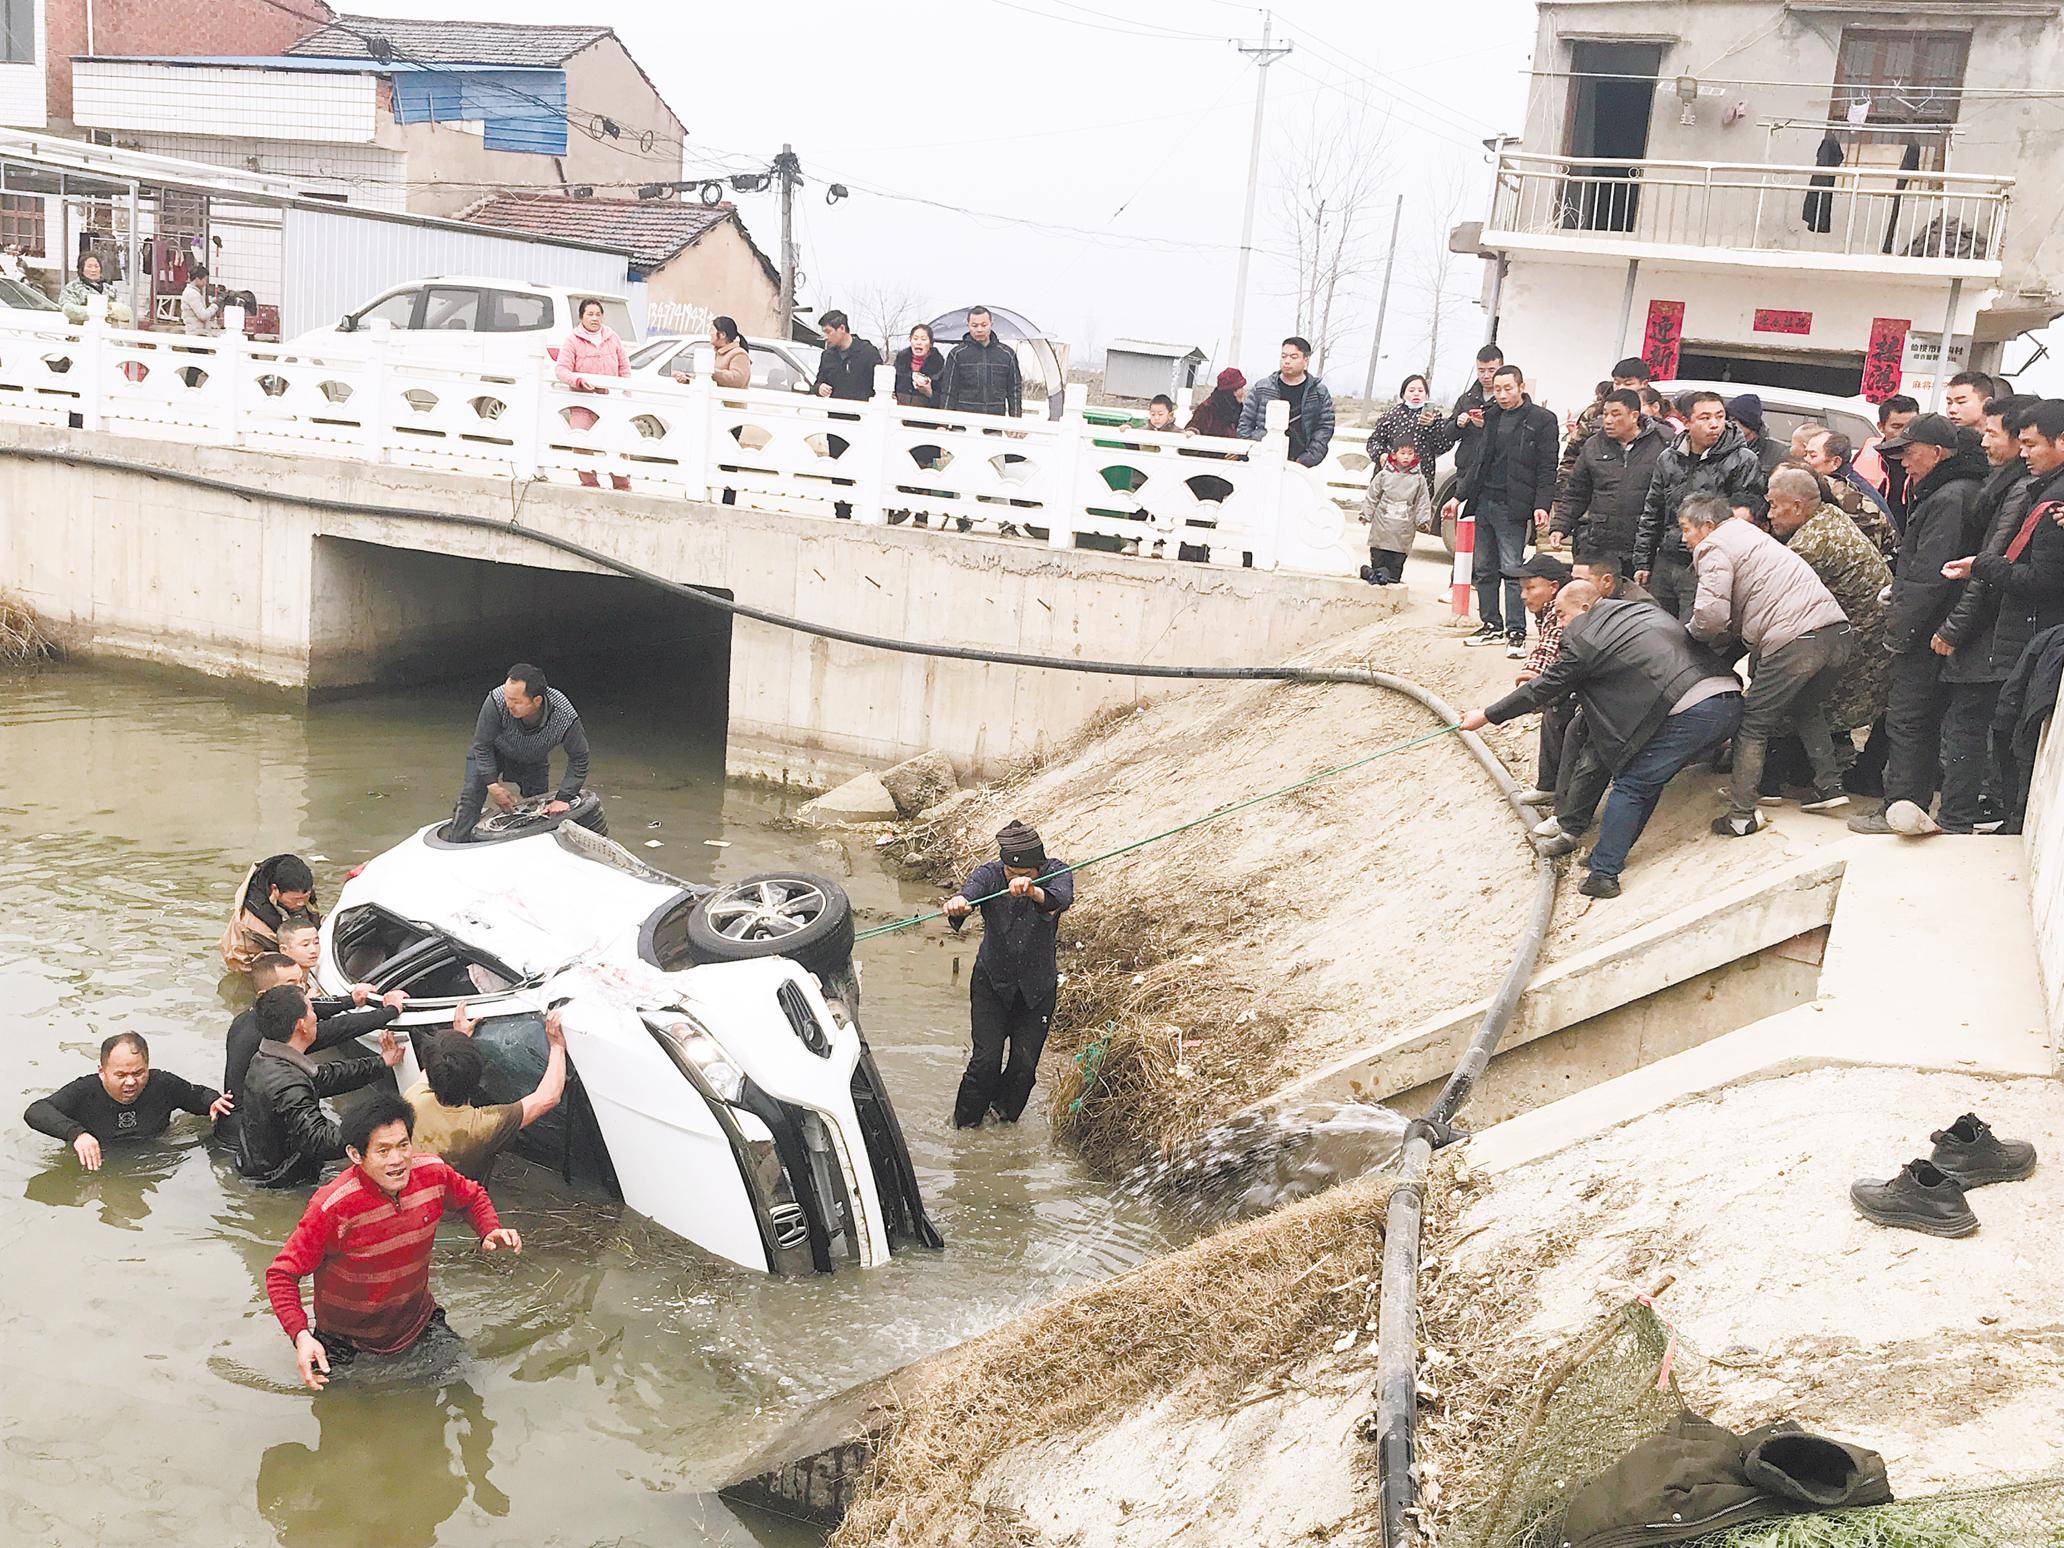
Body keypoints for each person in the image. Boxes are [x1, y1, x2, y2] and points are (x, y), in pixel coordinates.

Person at [1461, 581, 1744, 898]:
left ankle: (1604, 875)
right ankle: (1600, 854)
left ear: (1584, 608)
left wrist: (1487, 715)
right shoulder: (1637, 611)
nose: (1562, 624)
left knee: (1632, 784)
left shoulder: (1584, 638)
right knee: (1644, 775)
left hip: (1691, 710)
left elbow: (1542, 687)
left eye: (1562, 615)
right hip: (1729, 697)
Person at [266, 1092, 520, 1391]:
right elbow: (281, 1275)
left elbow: (471, 1196)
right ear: (356, 1155)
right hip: (345, 1342)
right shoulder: (332, 1207)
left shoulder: (433, 1173)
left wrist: (489, 1229)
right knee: (344, 1424)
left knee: (467, 1386)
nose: (398, 1160)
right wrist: (301, 1336)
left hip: (418, 1322)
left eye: (403, 1145)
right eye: (383, 1151)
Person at [1678, 493, 1856, 831]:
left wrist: (1688, 637)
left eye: (1686, 529)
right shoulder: (1752, 536)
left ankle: (1741, 814)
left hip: (1795, 640)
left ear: (1708, 526)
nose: (1684, 538)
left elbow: (1711, 617)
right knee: (1806, 707)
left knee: (1753, 724)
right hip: (1837, 631)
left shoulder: (1713, 547)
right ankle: (1828, 786)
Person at [1848, 413, 1989, 835]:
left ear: (1938, 453)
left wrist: (1900, 632)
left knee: (1909, 720)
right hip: (1941, 626)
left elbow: (1930, 575)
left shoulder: (1949, 498)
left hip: (1929, 631)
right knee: (1923, 722)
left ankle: (1902, 804)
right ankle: (1909, 804)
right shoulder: (1952, 490)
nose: (1903, 462)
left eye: (1909, 453)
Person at [1936, 399, 2064, 831]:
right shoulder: (2039, 488)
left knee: (1996, 727)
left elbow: (2041, 579)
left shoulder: (2050, 499)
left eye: (2031, 444)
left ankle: (1968, 818)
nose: (2023, 452)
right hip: (2021, 633)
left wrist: (1980, 567)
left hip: (2030, 634)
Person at [941, 820, 1074, 1128]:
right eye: (1010, 874)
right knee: (985, 1062)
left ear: (1039, 867)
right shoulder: (989, 875)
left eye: (1024, 874)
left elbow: (1058, 900)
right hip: (992, 984)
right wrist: (960, 904)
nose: (1014, 879)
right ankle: (964, 1127)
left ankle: (1001, 1120)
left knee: (1023, 1067)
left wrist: (1032, 891)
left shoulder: (1058, 872)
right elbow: (970, 894)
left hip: (1036, 990)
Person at [1765, 466, 1894, 784]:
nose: (1769, 514)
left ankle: (1800, 779)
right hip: (1872, 633)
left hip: (1862, 644)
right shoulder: (1830, 516)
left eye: (1773, 505)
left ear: (1796, 506)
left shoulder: (1808, 546)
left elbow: (1774, 604)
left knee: (1792, 698)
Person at [235, 984, 404, 1187]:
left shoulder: (266, 1058)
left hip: (257, 1166)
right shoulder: (288, 1084)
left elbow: (324, 1078)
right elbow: (320, 1141)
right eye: (312, 1010)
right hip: (281, 1183)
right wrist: (375, 1123)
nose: (316, 1015)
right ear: (301, 1025)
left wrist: (381, 1062)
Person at [1633, 390, 1768, 622]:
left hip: (1708, 563)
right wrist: (1643, 560)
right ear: (1686, 422)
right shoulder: (1669, 457)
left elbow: (1746, 514)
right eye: (1705, 418)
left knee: (1692, 633)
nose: (1714, 424)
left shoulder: (1743, 459)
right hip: (1667, 557)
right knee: (1656, 627)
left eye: (1720, 416)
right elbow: (1653, 509)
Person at [223, 953, 407, 1122]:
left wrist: (350, 1000)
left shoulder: (253, 1016)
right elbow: (338, 1029)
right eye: (290, 984)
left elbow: (308, 1006)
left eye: (300, 982)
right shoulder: (277, 1032)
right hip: (242, 1128)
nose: (300, 990)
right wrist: (390, 1011)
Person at [404, 1002, 568, 1183]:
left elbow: (434, 1070)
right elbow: (547, 1097)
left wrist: (457, 1040)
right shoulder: (482, 1127)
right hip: (460, 1205)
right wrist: (557, 1047)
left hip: (418, 1195)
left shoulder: (413, 1100)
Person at [1456, 363, 1558, 654]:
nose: (1501, 394)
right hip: (1485, 500)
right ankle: (1491, 624)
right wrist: (1459, 496)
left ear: (1521, 387)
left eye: (1508, 388)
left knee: (1512, 568)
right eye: (1497, 389)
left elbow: (1547, 467)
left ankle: (1516, 631)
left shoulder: (1541, 420)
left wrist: (1542, 504)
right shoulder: (1491, 417)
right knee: (1484, 568)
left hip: (1513, 505)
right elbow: (1479, 461)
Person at [24, 1032, 233, 1171]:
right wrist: (77, 1134)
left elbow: (197, 1095)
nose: (131, 1082)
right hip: (103, 1158)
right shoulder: (84, 1090)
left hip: (153, 1149)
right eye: (121, 1075)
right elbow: (36, 1111)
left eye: (139, 1072)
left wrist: (212, 1102)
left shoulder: (161, 1083)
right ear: (102, 1072)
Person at [449, 663, 591, 843]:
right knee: (471, 796)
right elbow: (482, 745)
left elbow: (579, 758)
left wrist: (564, 797)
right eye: (508, 697)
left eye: (516, 701)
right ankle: (457, 843)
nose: (509, 704)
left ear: (537, 701)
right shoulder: (496, 700)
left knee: (540, 812)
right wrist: (492, 784)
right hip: (494, 751)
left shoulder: (564, 715)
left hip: (533, 759)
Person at [1547, 388, 1666, 567]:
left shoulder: (1662, 444)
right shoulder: (1593, 445)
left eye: (1616, 414)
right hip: (1598, 542)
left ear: (1634, 416)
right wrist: (1560, 526)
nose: (1608, 420)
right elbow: (1576, 493)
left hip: (1641, 546)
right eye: (1605, 414)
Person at [1550, 357, 1652, 525]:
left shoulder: (1653, 414)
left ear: (1644, 383)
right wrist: (1561, 501)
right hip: (1594, 508)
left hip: (1639, 512)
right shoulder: (1594, 413)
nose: (1620, 388)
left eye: (1628, 383)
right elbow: (1572, 458)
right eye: (1617, 383)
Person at [1506, 552, 1574, 804]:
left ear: (1553, 586)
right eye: (1522, 589)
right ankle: (1549, 786)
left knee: (1558, 713)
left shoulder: (1562, 608)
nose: (1523, 595)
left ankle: (1563, 800)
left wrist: (1532, 679)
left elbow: (1550, 646)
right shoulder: (1546, 609)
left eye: (1530, 588)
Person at [1431, 344, 1505, 525]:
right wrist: (1458, 423)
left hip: (1497, 472)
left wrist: (1487, 425)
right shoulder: (1467, 399)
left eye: (1491, 370)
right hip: (1467, 469)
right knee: (1465, 526)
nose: (1486, 376)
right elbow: (1447, 434)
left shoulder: (1506, 399)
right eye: (1481, 370)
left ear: (1501, 368)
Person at [1236, 336, 1335, 469]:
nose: (1287, 361)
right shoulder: (1262, 388)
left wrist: (1308, 458)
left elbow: (1325, 427)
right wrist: (1252, 450)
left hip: (1299, 463)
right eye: (1284, 356)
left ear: (1305, 360)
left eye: (1293, 357)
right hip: (1263, 459)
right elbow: (1245, 422)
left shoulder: (1318, 392)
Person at [220, 853, 321, 972]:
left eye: (305, 897)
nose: (301, 904)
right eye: (296, 900)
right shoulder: (248, 924)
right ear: (275, 890)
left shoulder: (300, 887)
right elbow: (242, 968)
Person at [1803, 429, 1897, 550]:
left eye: (1812, 455)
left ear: (1835, 462)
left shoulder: (1850, 494)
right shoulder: (1841, 481)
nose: (1806, 460)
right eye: (1805, 454)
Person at [1361, 437, 1430, 585]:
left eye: (1410, 453)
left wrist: (1423, 520)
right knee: (1379, 556)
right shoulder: (1384, 475)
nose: (1406, 456)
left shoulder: (1418, 479)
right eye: (1402, 453)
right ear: (1394, 455)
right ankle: (1376, 576)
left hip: (1404, 523)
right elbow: (1373, 495)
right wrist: (1366, 514)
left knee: (1397, 560)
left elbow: (1422, 501)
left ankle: (1393, 580)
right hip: (1383, 522)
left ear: (1415, 455)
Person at [1364, 374, 1445, 494]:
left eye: (1420, 390)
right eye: (1411, 390)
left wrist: (1433, 426)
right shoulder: (1391, 415)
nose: (1416, 394)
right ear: (1403, 394)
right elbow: (1374, 440)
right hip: (1390, 476)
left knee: (1417, 510)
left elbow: (1443, 445)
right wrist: (1381, 454)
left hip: (1420, 477)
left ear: (1426, 394)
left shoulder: (1435, 416)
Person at [941, 306, 1023, 418]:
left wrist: (1016, 421)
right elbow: (948, 391)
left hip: (994, 422)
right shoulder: (957, 354)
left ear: (991, 324)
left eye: (984, 325)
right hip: (963, 420)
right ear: (968, 325)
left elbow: (1014, 391)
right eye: (974, 325)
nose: (979, 329)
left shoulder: (1007, 354)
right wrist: (944, 423)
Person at [1857, 395, 1920, 528]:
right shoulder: (1866, 453)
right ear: (1880, 426)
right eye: (1897, 426)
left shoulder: (1930, 459)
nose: (1904, 433)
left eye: (1910, 427)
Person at [812, 309, 882, 401]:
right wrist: (819, 388)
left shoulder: (868, 352)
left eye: (828, 332)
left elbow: (881, 384)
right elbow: (818, 384)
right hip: (835, 411)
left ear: (842, 328)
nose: (825, 337)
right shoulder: (827, 356)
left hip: (862, 412)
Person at [673, 315, 751, 390]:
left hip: (728, 403)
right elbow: (709, 380)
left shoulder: (739, 354)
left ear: (722, 335)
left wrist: (710, 371)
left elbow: (737, 381)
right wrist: (687, 379)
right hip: (713, 402)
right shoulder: (717, 353)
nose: (710, 333)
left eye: (712, 330)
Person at [59, 253, 134, 326]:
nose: (93, 270)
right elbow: (68, 309)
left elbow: (127, 313)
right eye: (89, 266)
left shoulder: (110, 289)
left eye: (96, 266)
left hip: (109, 334)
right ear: (81, 269)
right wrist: (100, 310)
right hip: (81, 333)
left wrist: (110, 307)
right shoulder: (72, 288)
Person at [1726, 394, 1788, 476]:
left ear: (1747, 421)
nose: (1729, 424)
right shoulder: (1722, 447)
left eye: (1734, 419)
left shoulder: (1778, 452)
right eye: (1728, 419)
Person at [893, 322, 946, 407]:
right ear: (910, 340)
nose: (919, 342)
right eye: (915, 338)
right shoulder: (900, 362)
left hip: (925, 414)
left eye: (923, 339)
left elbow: (944, 400)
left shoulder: (939, 367)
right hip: (899, 412)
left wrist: (929, 392)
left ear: (931, 343)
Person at [1185, 367, 1245, 438]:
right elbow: (1195, 426)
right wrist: (1192, 432)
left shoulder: (1240, 410)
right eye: (1241, 388)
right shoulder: (1208, 408)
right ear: (1233, 392)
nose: (1243, 392)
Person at [180, 264, 221, 335]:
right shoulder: (193, 294)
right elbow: (203, 316)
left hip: (196, 332)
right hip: (196, 334)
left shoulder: (192, 292)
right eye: (205, 279)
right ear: (197, 279)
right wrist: (215, 305)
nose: (205, 283)